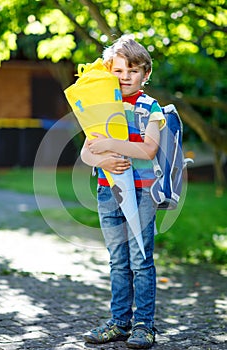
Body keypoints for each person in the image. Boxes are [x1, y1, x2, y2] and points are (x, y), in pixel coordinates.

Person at [80, 35, 165, 349]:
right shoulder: (99, 109)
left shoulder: (149, 108)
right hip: (108, 192)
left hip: (142, 193)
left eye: (134, 71)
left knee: (141, 260)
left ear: (145, 74)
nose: (126, 77)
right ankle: (119, 323)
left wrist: (110, 144)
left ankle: (144, 325)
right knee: (117, 261)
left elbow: (148, 149)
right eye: (119, 71)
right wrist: (101, 158)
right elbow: (86, 155)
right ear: (108, 72)